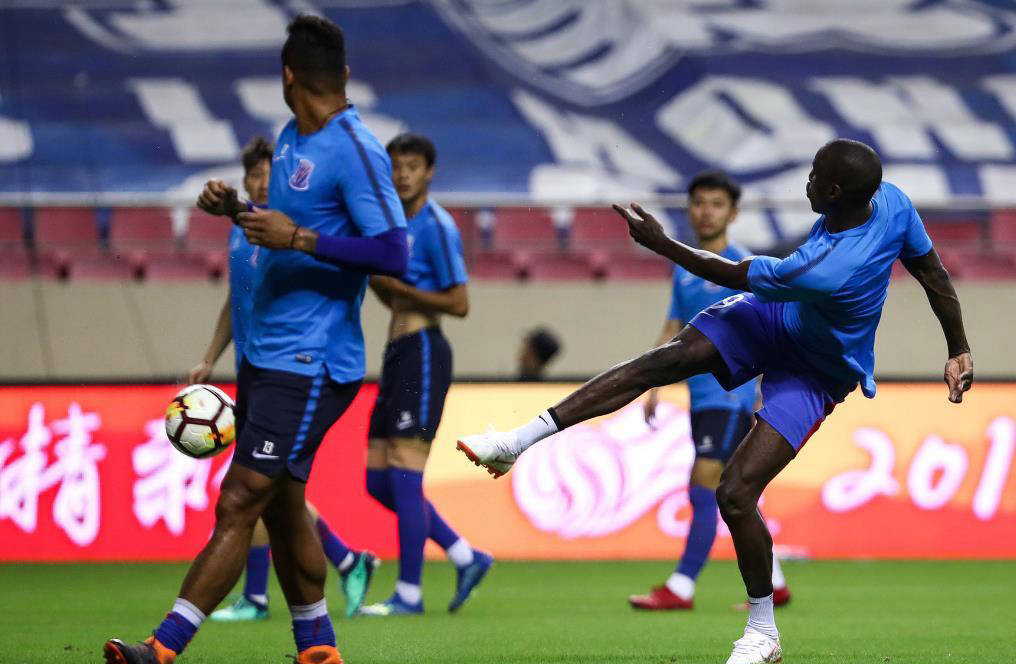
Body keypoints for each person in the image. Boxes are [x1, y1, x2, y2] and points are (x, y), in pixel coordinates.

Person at [457, 139, 973, 664]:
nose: (807, 181)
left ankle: (763, 632)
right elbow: (932, 272)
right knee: (663, 361)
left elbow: (731, 273)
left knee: (735, 493)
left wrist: (661, 243)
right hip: (776, 318)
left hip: (818, 370)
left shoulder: (825, 266)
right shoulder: (893, 202)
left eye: (815, 175)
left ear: (835, 191)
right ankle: (516, 442)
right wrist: (958, 348)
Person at [104, 15, 408, 664]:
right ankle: (318, 648)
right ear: (342, 74)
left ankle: (162, 648)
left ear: (287, 76)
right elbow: (285, 228)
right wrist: (237, 213)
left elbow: (394, 251)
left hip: (312, 361)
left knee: (240, 496)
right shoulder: (292, 137)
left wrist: (299, 238)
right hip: (265, 357)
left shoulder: (358, 150)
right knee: (283, 507)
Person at [186, 136, 378, 624]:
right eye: (251, 175)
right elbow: (237, 299)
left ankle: (256, 596)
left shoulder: (292, 232)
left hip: (293, 374)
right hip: (254, 372)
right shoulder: (242, 233)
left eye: (266, 175)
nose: (258, 182)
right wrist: (210, 357)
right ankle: (345, 564)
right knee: (276, 492)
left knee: (256, 487)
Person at [628, 171, 790, 612]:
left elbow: (770, 331)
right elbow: (673, 325)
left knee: (705, 483)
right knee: (738, 489)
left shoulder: (744, 267)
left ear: (733, 213)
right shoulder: (685, 268)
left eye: (717, 204)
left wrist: (764, 390)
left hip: (730, 395)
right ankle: (775, 582)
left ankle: (681, 586)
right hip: (701, 397)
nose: (706, 212)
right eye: (699, 202)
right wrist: (652, 382)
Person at [358, 133, 493, 616]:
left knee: (405, 473)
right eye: (396, 166)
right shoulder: (391, 226)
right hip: (396, 352)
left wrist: (399, 288)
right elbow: (390, 292)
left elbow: (459, 302)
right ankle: (464, 554)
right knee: (377, 482)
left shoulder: (436, 225)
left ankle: (409, 594)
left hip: (423, 350)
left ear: (429, 171)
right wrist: (377, 280)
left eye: (412, 166)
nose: (403, 175)